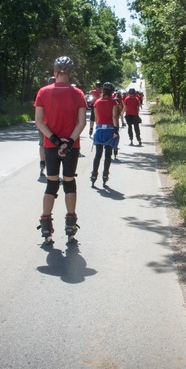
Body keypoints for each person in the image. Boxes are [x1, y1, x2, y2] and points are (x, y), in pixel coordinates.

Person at [34, 56, 88, 244]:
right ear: (70, 73)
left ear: (55, 72)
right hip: (72, 147)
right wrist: (69, 141)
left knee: (51, 183)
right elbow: (82, 122)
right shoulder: (78, 94)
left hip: (50, 146)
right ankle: (70, 224)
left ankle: (46, 225)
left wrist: (56, 141)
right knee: (69, 182)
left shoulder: (43, 92)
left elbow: (39, 121)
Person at [89, 82, 120, 187]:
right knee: (108, 154)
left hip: (99, 130)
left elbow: (96, 118)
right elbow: (114, 117)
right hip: (110, 130)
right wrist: (116, 130)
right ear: (112, 92)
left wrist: (97, 128)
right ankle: (105, 174)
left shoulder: (97, 102)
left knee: (98, 154)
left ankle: (94, 174)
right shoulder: (114, 103)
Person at [37, 76, 57, 177]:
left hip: (42, 124)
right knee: (54, 145)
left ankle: (42, 163)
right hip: (53, 124)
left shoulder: (42, 93)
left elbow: (38, 112)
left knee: (42, 144)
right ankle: (52, 167)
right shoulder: (58, 96)